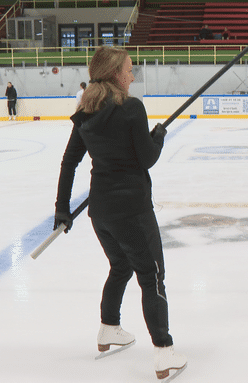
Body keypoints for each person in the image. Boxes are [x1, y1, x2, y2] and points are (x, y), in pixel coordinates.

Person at [53, 46, 187, 380]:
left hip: (101, 213)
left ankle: (109, 327)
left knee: (121, 266)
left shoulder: (85, 111)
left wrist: (62, 209)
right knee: (152, 276)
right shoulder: (131, 108)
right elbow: (146, 158)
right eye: (129, 69)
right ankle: (164, 351)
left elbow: (70, 161)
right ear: (115, 73)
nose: (133, 74)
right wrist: (157, 137)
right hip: (133, 211)